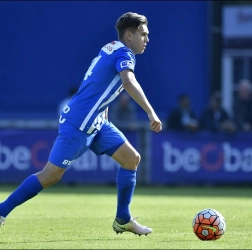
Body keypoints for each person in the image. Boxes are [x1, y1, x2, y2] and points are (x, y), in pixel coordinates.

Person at [0, 12, 162, 236]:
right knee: (51, 175)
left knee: (131, 159)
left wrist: (104, 111)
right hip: (78, 122)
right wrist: (151, 113)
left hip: (96, 120)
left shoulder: (111, 47)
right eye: (143, 34)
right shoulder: (124, 53)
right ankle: (1, 211)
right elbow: (128, 80)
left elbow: (98, 82)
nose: (147, 39)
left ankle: (123, 219)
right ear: (128, 34)